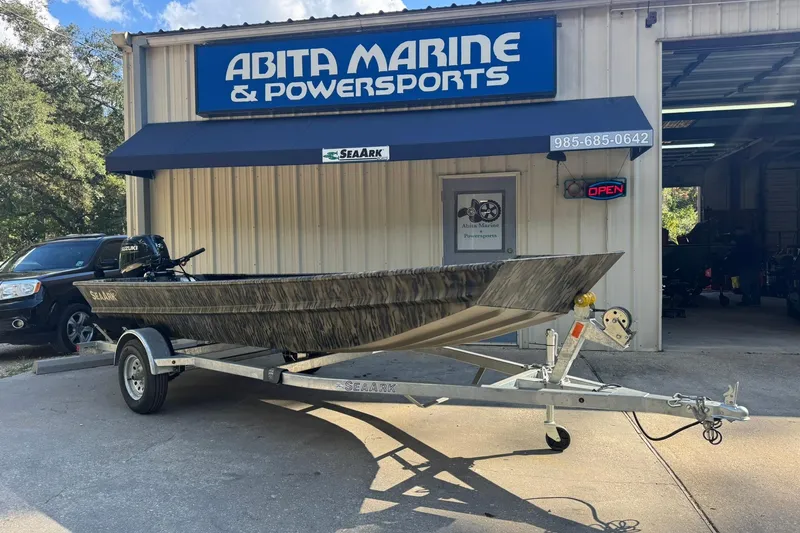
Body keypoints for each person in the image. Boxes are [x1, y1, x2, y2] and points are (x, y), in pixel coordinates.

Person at [730, 227, 761, 306]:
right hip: (754, 264)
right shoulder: (751, 240)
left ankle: (747, 299)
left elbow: (738, 252)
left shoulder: (742, 241)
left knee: (745, 283)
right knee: (754, 283)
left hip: (746, 265)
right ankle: (755, 300)